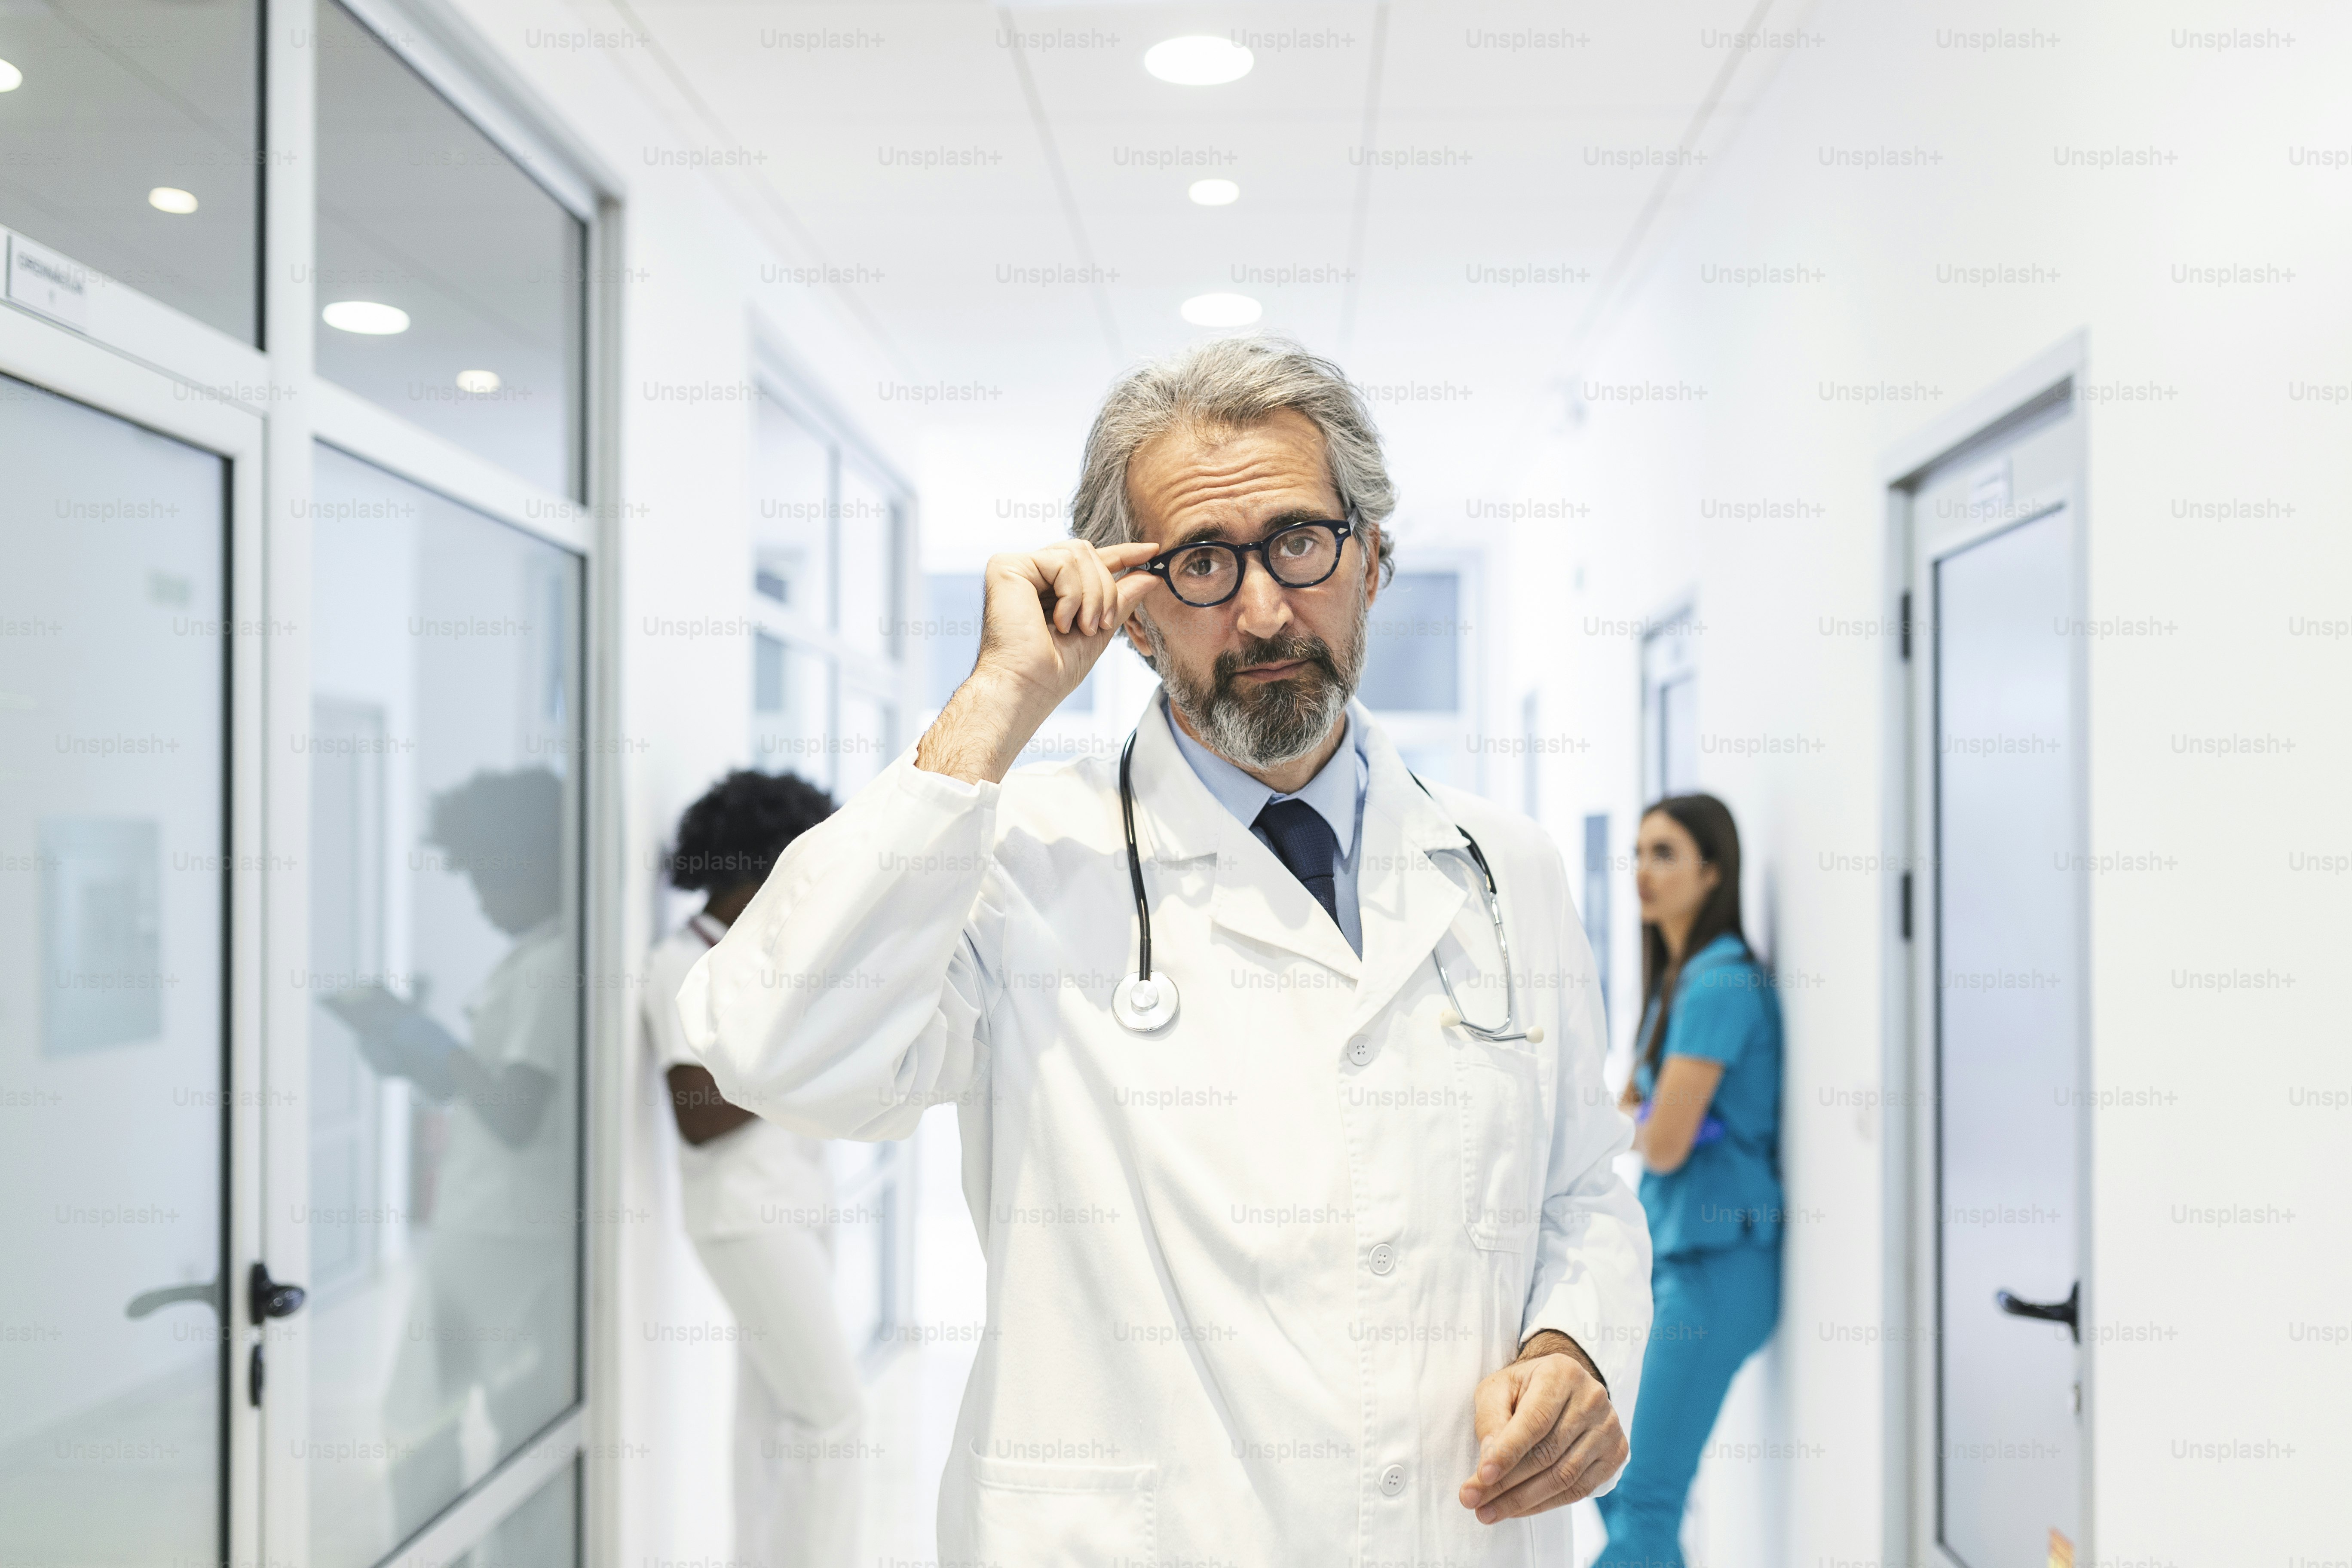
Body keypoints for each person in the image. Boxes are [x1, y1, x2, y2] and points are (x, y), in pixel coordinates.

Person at [679, 336, 1651, 1566]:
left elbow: (1582, 1189)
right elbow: (769, 1051)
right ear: (1132, 617)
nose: (1262, 610)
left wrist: (1574, 1345)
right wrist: (995, 705)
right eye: (1200, 564)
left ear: (1373, 557)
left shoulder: (1508, 866)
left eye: (1300, 542)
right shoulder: (1007, 858)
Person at [321, 767, 577, 1536]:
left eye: (490, 881)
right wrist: (408, 1049)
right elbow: (493, 1089)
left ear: (534, 866)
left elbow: (514, 1112)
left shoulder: (550, 966)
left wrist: (425, 1035)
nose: (480, 901)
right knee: (511, 1411)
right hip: (508, 1224)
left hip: (499, 1230)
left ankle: (440, 1552)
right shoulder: (543, 953)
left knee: (421, 1412)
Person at [642, 769, 862, 1568]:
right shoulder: (679, 963)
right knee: (834, 1415)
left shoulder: (747, 952)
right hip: (745, 1218)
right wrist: (807, 1054)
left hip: (791, 1205)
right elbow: (698, 1118)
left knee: (772, 1419)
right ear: (751, 867)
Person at [1597, 794, 1785, 1568]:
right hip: (1675, 1261)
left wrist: (1611, 1126)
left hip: (1718, 1269)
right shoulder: (1678, 980)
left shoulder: (1718, 984)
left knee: (1642, 1494)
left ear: (1714, 872)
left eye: (1667, 853)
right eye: (1639, 851)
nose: (1644, 870)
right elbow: (1648, 1115)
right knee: (1611, 1482)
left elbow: (1664, 1142)